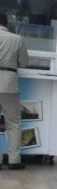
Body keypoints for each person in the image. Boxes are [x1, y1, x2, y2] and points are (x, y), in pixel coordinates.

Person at [0, 11, 30, 170]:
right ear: (7, 23)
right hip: (9, 84)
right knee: (13, 124)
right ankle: (14, 161)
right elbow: (24, 62)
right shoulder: (17, 39)